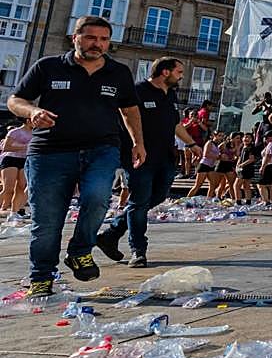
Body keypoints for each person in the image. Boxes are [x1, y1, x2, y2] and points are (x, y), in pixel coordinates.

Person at [7, 16, 143, 296]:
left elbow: (129, 110)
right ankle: (41, 277)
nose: (98, 44)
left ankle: (80, 251)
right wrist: (32, 112)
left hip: (101, 149)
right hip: (50, 152)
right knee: (47, 222)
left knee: (97, 197)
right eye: (91, 38)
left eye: (104, 39)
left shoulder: (119, 73)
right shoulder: (49, 67)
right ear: (75, 38)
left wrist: (137, 142)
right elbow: (15, 100)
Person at [95, 57, 201, 267]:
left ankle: (112, 232)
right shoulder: (137, 91)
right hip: (139, 157)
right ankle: (138, 251)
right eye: (179, 72)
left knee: (158, 196)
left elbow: (175, 124)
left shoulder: (170, 94)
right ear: (165, 72)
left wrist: (191, 144)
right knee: (139, 201)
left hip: (165, 156)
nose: (182, 76)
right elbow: (125, 117)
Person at [0, 118, 32, 218]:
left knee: (21, 187)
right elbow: (6, 147)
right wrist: (24, 147)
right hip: (11, 158)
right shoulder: (15, 132)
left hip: (24, 160)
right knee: (8, 189)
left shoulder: (35, 133)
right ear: (28, 120)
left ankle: (14, 213)